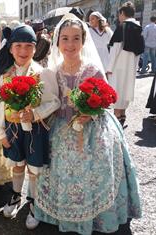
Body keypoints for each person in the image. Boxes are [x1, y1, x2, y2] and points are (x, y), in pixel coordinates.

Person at [34, 13, 142, 235]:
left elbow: (104, 102)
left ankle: (95, 215)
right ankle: (63, 213)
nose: (70, 44)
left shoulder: (93, 69)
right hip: (62, 126)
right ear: (57, 41)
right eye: (65, 38)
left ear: (83, 41)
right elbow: (51, 102)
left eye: (76, 38)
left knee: (95, 169)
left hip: (93, 127)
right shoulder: (53, 72)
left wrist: (90, 114)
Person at [0, 25, 60, 230]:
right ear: (11, 49)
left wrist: (36, 114)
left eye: (28, 46)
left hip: (35, 130)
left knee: (34, 168)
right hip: (13, 129)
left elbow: (55, 101)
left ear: (35, 48)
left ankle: (34, 202)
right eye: (18, 46)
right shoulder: (5, 77)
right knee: (17, 164)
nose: (23, 51)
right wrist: (1, 132)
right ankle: (15, 196)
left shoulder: (42, 73)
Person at [107, 1, 144, 126]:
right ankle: (122, 116)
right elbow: (140, 51)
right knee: (126, 90)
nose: (119, 17)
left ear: (122, 13)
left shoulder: (122, 27)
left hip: (118, 66)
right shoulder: (138, 28)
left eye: (119, 14)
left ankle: (117, 120)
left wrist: (109, 68)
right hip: (131, 65)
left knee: (117, 90)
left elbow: (115, 49)